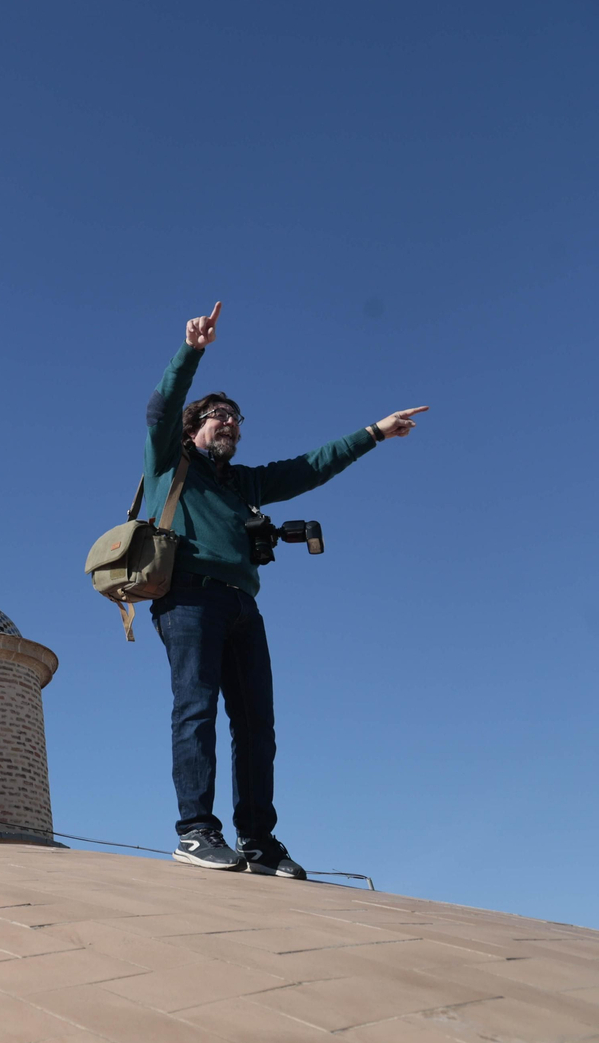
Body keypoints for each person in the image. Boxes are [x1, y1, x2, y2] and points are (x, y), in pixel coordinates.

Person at [145, 301, 427, 878]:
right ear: (196, 426)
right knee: (195, 711)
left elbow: (310, 466)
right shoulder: (171, 462)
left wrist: (375, 432)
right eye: (218, 414)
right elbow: (161, 407)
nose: (230, 422)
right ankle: (196, 832)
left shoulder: (246, 482)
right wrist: (191, 350)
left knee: (257, 726)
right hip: (190, 598)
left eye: (237, 417)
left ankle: (258, 842)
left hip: (243, 604)